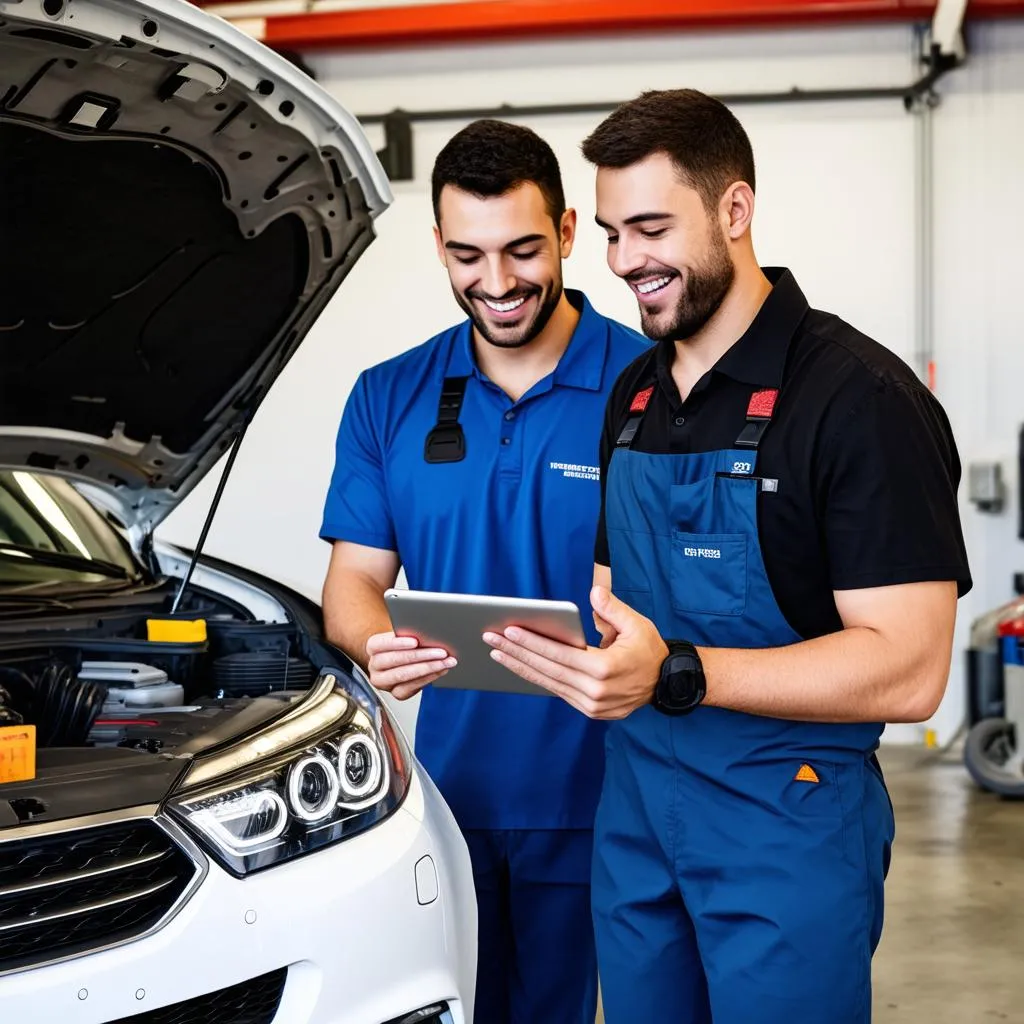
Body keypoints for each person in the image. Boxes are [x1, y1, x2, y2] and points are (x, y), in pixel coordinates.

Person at [484, 89, 972, 1024]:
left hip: (782, 824)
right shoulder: (634, 390)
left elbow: (909, 671)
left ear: (735, 211)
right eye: (616, 234)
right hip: (632, 818)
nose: (627, 262)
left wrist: (674, 672)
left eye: (653, 228)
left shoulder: (858, 400)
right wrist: (551, 654)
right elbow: (612, 594)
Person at [318, 118, 649, 1024]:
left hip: (609, 796)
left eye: (523, 250)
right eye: (467, 254)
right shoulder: (389, 394)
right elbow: (351, 585)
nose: (496, 284)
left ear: (571, 234)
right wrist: (378, 643)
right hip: (446, 801)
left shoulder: (651, 384)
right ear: (437, 246)